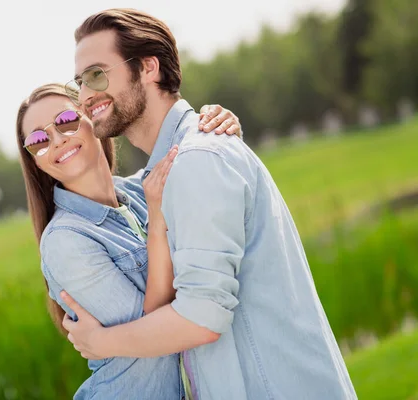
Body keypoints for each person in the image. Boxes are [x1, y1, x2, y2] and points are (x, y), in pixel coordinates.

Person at [59, 8, 358, 400]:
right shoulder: (175, 165)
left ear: (148, 67)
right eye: (79, 82)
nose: (85, 96)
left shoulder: (197, 160)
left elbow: (202, 318)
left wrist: (102, 343)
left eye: (97, 75)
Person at [16, 83, 242, 399]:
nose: (56, 140)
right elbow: (156, 333)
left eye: (65, 121)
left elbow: (195, 155)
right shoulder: (64, 242)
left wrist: (216, 122)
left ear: (92, 118)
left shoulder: (142, 191)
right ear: (35, 160)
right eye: (38, 140)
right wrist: (157, 223)